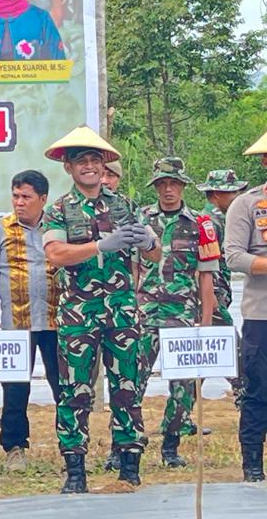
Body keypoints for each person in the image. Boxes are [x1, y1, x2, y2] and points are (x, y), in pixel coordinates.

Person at [42, 125, 158, 492]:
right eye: (82, 161)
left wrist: (150, 240)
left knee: (128, 386)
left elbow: (154, 255)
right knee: (74, 390)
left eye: (95, 160)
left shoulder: (124, 205)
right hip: (79, 313)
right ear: (69, 168)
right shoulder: (59, 208)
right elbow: (55, 254)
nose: (89, 167)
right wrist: (100, 245)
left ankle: (129, 465)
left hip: (123, 311)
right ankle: (75, 469)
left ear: (104, 166)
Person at [135, 157, 218, 468]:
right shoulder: (141, 219)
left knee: (183, 386)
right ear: (155, 186)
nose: (168, 189)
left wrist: (207, 321)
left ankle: (171, 445)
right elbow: (133, 266)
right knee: (131, 381)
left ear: (183, 185)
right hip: (144, 313)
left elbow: (206, 273)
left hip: (182, 315)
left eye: (173, 183)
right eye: (162, 184)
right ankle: (128, 445)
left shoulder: (200, 223)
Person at [0, 169, 60, 471]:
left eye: (26, 197)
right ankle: (14, 447)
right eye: (15, 196)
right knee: (14, 387)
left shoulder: (56, 226)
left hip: (58, 319)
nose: (19, 202)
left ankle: (70, 445)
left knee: (63, 385)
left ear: (43, 199)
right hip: (16, 321)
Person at [223, 129, 267, 482]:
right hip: (261, 315)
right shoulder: (246, 205)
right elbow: (234, 257)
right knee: (257, 391)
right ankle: (252, 465)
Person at [197, 169, 248, 405]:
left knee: (206, 356)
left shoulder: (221, 219)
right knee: (233, 350)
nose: (238, 196)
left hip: (216, 295)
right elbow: (205, 263)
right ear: (217, 194)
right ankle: (244, 399)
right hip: (212, 297)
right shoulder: (210, 222)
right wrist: (213, 297)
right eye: (233, 192)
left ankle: (182, 413)